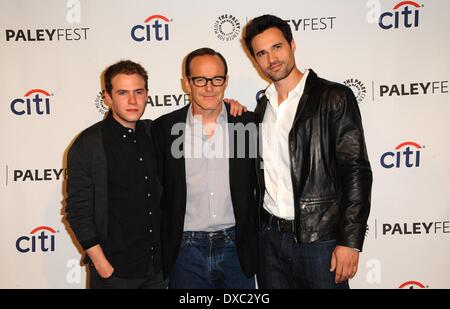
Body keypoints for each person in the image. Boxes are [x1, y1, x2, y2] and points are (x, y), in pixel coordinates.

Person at [243, 14, 373, 289]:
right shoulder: (261, 109)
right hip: (270, 242)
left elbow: (356, 171)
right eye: (262, 53)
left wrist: (350, 242)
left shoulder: (333, 97)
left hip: (320, 241)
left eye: (277, 47)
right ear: (255, 59)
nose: (271, 58)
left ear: (292, 44)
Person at [152, 48, 258, 289]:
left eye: (216, 79)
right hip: (185, 251)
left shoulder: (246, 124)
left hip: (237, 248)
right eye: (200, 79)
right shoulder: (164, 128)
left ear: (226, 81)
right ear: (187, 83)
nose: (209, 87)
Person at [65, 60, 167, 289]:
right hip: (114, 273)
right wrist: (102, 265)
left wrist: (228, 106)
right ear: (108, 98)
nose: (132, 101)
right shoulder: (88, 145)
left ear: (147, 94)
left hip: (157, 271)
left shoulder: (155, 134)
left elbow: (196, 122)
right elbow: (77, 210)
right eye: (123, 93)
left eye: (138, 92)